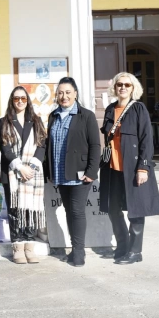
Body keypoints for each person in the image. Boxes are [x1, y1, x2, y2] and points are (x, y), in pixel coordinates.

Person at [99, 72, 159, 265]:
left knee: (136, 210)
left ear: (133, 88)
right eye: (119, 84)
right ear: (115, 87)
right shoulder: (110, 109)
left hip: (133, 168)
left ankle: (135, 252)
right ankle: (123, 246)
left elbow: (146, 139)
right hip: (112, 168)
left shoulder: (138, 109)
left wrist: (143, 167)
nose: (123, 88)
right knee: (112, 209)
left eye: (127, 85)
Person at [44, 76, 101, 267]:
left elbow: (95, 145)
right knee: (69, 211)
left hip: (80, 173)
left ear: (75, 93)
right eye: (60, 93)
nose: (64, 96)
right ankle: (75, 249)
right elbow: (49, 145)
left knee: (77, 211)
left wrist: (92, 171)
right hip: (60, 173)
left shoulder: (87, 115)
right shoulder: (53, 116)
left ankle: (79, 252)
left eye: (68, 92)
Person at [0, 87, 47, 264]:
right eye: (16, 98)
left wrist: (31, 167)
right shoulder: (4, 122)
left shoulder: (36, 121)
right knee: (15, 211)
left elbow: (42, 145)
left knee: (30, 210)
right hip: (12, 173)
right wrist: (20, 167)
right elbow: (5, 148)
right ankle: (17, 246)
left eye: (23, 99)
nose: (20, 101)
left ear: (28, 101)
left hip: (32, 173)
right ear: (12, 100)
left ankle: (29, 246)